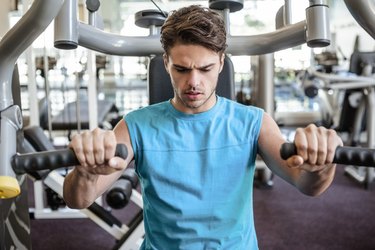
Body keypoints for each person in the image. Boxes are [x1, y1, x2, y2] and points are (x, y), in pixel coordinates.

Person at [63, 5, 343, 249]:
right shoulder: (136, 124)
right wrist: (85, 173)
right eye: (182, 69)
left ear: (221, 62)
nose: (193, 82)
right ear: (166, 63)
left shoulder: (253, 122)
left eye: (205, 68)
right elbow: (79, 199)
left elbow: (307, 185)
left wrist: (321, 166)